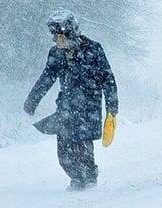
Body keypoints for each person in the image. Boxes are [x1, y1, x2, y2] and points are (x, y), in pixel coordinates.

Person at [24, 10, 118, 191]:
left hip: (89, 106)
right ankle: (76, 178)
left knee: (82, 145)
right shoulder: (56, 54)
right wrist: (32, 100)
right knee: (64, 151)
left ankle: (89, 178)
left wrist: (112, 106)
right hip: (66, 107)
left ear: (71, 33)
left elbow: (108, 79)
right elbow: (46, 78)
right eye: (54, 36)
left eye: (59, 36)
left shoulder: (94, 49)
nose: (55, 40)